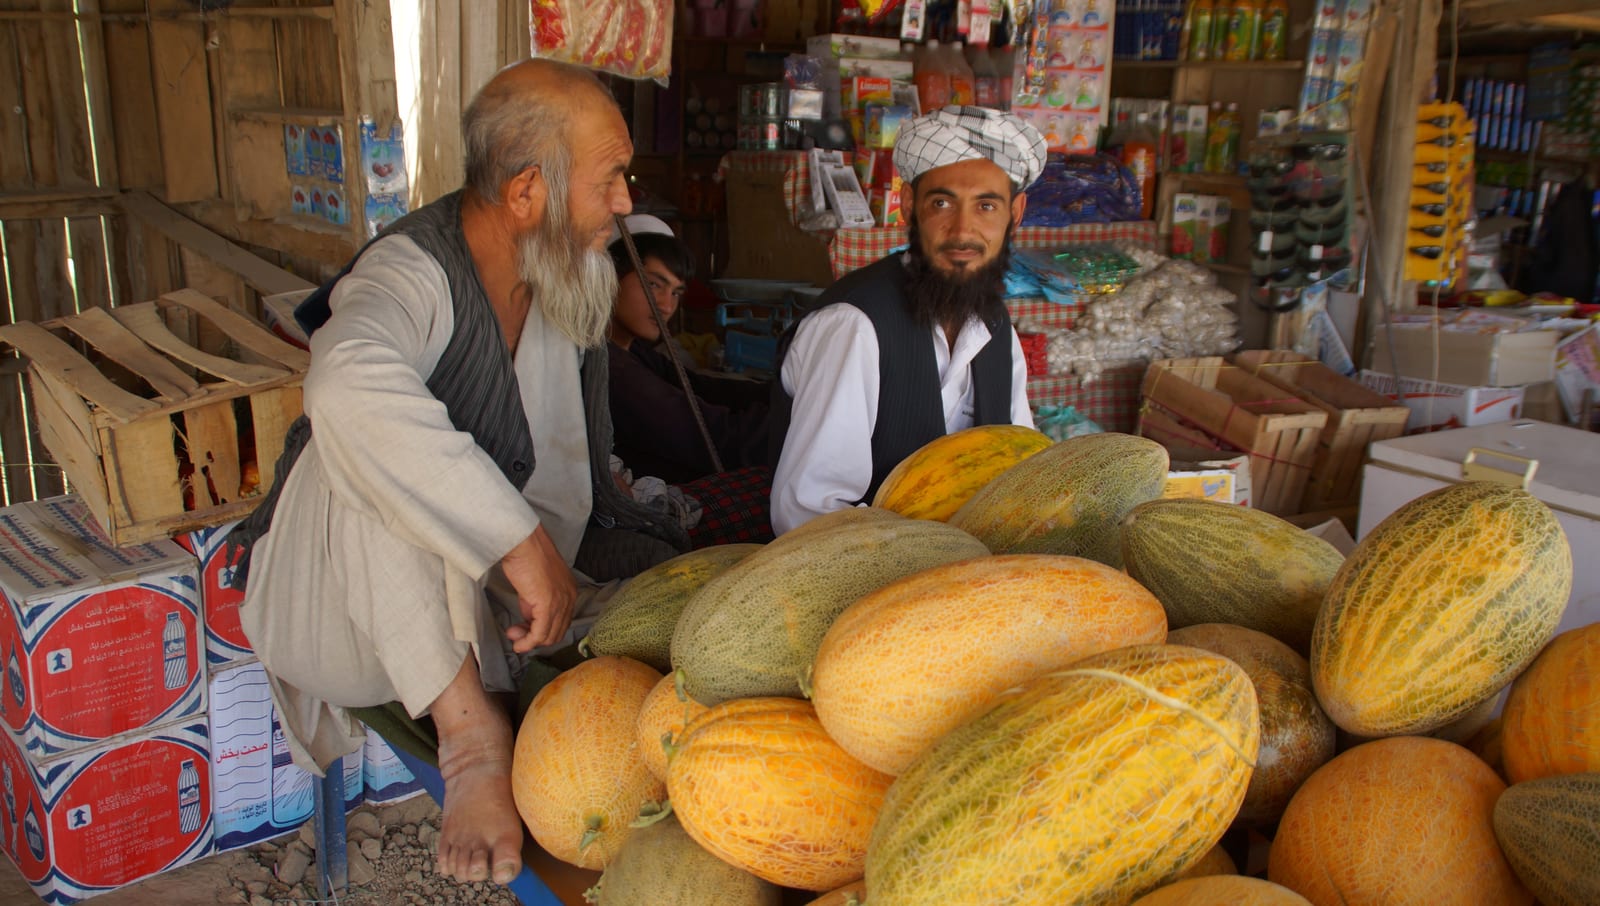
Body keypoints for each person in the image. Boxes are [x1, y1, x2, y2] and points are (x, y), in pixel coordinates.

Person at [229, 60, 645, 888]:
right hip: (340, 613)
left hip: (502, 616)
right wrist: (516, 538)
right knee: (355, 445)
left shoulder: (566, 275)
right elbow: (344, 385)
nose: (628, 203)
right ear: (526, 192)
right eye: (611, 180)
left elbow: (572, 468)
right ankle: (470, 740)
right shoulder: (411, 272)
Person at [769, 106, 1046, 534]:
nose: (963, 231)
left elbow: (1022, 464)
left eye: (987, 206)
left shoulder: (995, 326)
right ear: (907, 206)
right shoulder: (856, 325)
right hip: (856, 575)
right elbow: (808, 514)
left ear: (1017, 212)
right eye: (942, 203)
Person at [605, 215, 770, 485]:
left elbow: (701, 388)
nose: (666, 305)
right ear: (608, 277)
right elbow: (718, 438)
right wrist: (800, 416)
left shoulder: (632, 352)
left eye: (676, 292)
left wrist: (781, 392)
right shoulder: (608, 367)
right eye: (653, 284)